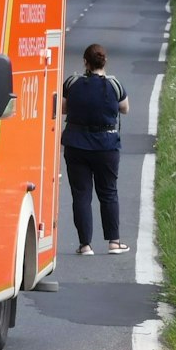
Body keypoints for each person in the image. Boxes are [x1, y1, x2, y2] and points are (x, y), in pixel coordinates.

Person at [62, 42, 130, 255]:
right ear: (104, 62)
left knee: (81, 194)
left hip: (76, 144)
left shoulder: (72, 83)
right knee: (108, 192)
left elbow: (63, 108)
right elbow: (125, 109)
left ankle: (85, 245)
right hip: (106, 146)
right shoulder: (115, 85)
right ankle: (114, 242)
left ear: (85, 62)